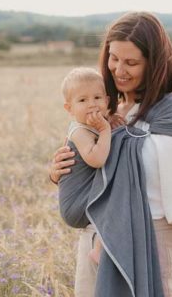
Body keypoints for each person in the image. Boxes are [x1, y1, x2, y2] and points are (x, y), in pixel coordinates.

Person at [49, 12, 172, 297]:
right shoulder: (109, 112)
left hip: (150, 245)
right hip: (95, 242)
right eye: (114, 58)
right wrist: (59, 170)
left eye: (131, 62)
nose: (118, 70)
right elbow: (99, 175)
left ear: (154, 63)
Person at [58, 67, 111, 265]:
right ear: (69, 108)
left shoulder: (91, 126)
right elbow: (97, 159)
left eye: (97, 97)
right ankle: (99, 248)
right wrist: (106, 130)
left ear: (106, 100)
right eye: (82, 100)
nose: (92, 105)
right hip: (75, 206)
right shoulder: (79, 132)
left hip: (83, 198)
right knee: (116, 193)